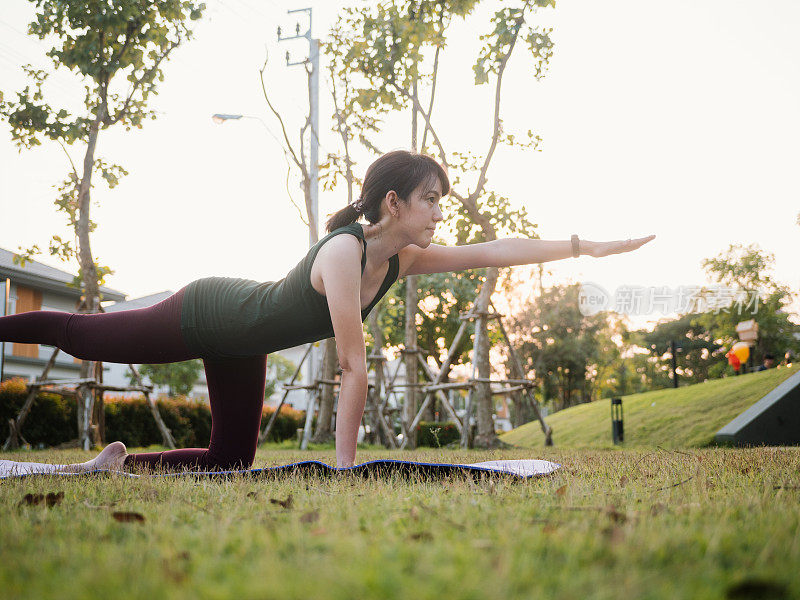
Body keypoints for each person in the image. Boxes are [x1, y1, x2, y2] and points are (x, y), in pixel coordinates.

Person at [0, 150, 655, 473]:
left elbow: (494, 249)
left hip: (243, 340)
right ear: (394, 203)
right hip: (207, 309)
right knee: (84, 338)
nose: (439, 212)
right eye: (431, 200)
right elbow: (351, 364)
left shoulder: (408, 258)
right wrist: (346, 469)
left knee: (230, 461)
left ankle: (115, 467)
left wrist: (584, 247)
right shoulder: (344, 254)